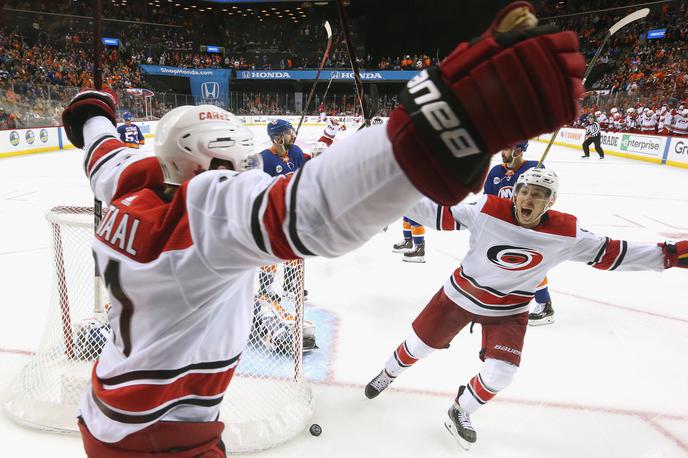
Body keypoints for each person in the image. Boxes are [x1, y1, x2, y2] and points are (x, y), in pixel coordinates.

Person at [60, 2, 586, 455]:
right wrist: (448, 119)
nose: (247, 174)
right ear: (209, 165)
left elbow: (101, 152)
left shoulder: (134, 182)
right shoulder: (206, 215)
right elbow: (320, 210)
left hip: (113, 411)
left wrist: (92, 112)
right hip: (162, 438)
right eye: (238, 165)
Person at [364, 167, 686, 450]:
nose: (528, 200)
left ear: (551, 202)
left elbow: (614, 253)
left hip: (509, 310)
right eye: (524, 192)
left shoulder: (567, 233)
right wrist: (385, 192)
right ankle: (388, 374)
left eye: (539, 195)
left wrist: (670, 255)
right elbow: (436, 213)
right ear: (515, 194)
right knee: (419, 346)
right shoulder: (487, 209)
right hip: (459, 297)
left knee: (502, 373)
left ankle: (460, 409)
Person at [483, 141, 554, 324]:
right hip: (501, 228)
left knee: (530, 265)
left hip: (525, 226)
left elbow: (543, 196)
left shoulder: (533, 169)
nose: (502, 152)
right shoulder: (496, 172)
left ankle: (544, 303)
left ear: (517, 150)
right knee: (498, 264)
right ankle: (501, 299)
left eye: (506, 148)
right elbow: (487, 200)